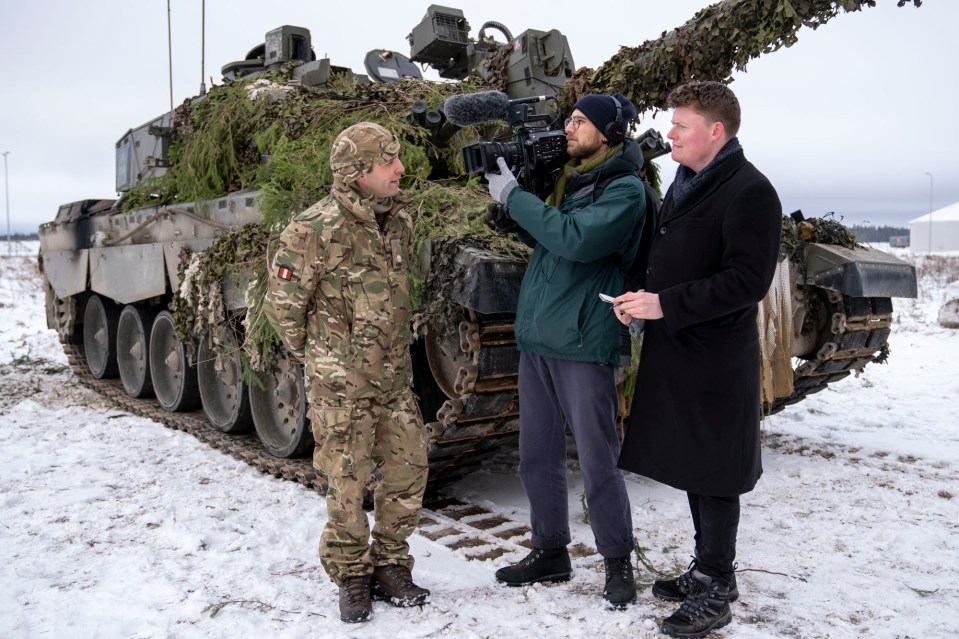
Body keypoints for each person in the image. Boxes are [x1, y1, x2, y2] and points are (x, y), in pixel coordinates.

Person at [613, 81, 782, 637]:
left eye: (680, 125)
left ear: (717, 131)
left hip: (715, 355)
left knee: (715, 470)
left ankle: (717, 582)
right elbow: (672, 259)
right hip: (678, 346)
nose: (670, 134)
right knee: (692, 460)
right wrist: (641, 300)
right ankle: (706, 567)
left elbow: (746, 281)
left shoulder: (750, 191)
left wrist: (665, 304)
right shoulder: (689, 180)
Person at [483, 93, 647, 607]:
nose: (568, 128)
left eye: (580, 121)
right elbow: (556, 243)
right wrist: (518, 217)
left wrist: (515, 199)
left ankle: (617, 559)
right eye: (569, 119)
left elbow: (576, 240)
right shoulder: (573, 184)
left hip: (581, 340)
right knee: (537, 455)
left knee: (598, 459)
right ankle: (550, 550)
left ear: (609, 132)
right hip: (540, 340)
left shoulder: (625, 190)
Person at [265, 122, 430, 624]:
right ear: (359, 173)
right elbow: (283, 308)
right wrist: (321, 359)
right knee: (347, 482)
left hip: (394, 379)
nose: (400, 169)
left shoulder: (396, 223)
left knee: (409, 469)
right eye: (389, 161)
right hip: (341, 386)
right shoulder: (312, 229)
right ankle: (353, 575)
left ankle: (391, 563)